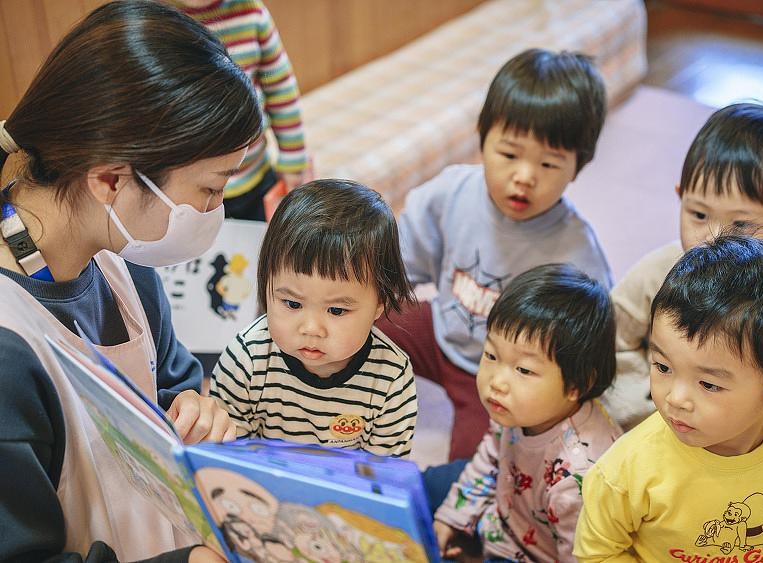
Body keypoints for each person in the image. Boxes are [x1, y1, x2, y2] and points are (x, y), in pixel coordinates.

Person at [0, 1, 264, 561]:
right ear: (110, 179)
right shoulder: (8, 353)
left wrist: (196, 407)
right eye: (212, 190)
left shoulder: (124, 259)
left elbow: (171, 385)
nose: (215, 210)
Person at [377, 48, 613, 460]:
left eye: (549, 164)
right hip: (441, 331)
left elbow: (587, 348)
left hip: (502, 376)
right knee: (352, 317)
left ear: (578, 167)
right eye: (508, 154)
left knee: (473, 467)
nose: (524, 176)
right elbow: (395, 264)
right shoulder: (451, 193)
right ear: (483, 139)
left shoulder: (577, 254)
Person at [574, 235, 763, 561]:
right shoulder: (625, 471)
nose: (675, 398)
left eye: (709, 385)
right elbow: (598, 553)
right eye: (663, 366)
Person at [604, 103, 763, 434]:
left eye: (742, 224)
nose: (713, 236)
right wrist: (644, 411)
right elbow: (612, 336)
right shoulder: (659, 272)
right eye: (699, 215)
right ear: (681, 197)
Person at [210, 180, 419, 458]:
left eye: (336, 311)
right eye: (292, 303)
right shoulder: (245, 361)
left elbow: (382, 478)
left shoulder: (391, 377)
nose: (311, 329)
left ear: (379, 303)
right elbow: (225, 456)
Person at [432, 264, 622, 562]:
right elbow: (490, 458)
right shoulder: (516, 409)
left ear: (577, 385)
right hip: (504, 514)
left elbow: (580, 556)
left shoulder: (579, 477)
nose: (497, 382)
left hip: (529, 555)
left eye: (523, 370)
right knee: (422, 486)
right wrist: (450, 519)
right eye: (491, 356)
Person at [175, 0, 308, 220]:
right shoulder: (154, 18)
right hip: (185, 193)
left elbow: (281, 90)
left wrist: (293, 160)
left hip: (255, 176)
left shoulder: (251, 12)